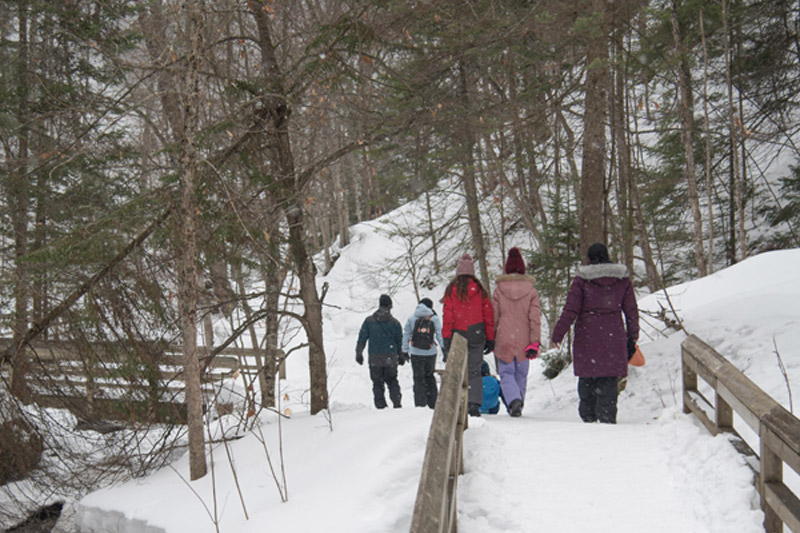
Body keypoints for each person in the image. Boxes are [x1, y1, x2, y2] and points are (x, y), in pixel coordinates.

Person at [551, 243, 639, 424]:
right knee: (608, 377)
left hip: (587, 334)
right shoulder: (622, 280)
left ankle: (588, 416)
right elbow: (631, 310)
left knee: (588, 376)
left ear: (589, 259)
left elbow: (571, 310)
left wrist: (558, 334)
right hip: (613, 334)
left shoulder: (581, 280)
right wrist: (633, 334)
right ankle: (607, 416)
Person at [442, 253, 495, 417]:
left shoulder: (452, 289)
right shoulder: (480, 290)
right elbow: (488, 315)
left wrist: (446, 337)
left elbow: (448, 315)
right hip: (477, 333)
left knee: (457, 370)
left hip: (458, 333)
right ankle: (473, 404)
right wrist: (491, 337)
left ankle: (457, 403)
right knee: (474, 370)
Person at [491, 247, 541, 417]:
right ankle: (518, 399)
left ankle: (513, 400)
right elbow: (534, 318)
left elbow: (494, 317)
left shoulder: (498, 290)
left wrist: (491, 337)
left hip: (503, 337)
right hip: (524, 338)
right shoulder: (531, 291)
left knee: (506, 372)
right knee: (521, 372)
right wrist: (535, 341)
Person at [356, 294, 405, 409]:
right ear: (390, 306)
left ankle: (381, 407)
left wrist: (359, 353)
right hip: (390, 358)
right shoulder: (395, 323)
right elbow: (399, 341)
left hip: (375, 358)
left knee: (377, 384)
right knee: (392, 381)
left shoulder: (369, 321)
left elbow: (362, 338)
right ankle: (397, 403)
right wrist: (401, 355)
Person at [402, 297, 445, 409]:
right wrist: (444, 349)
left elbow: (406, 335)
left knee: (418, 378)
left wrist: (405, 351)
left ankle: (420, 404)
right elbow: (440, 335)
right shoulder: (434, 318)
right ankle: (433, 403)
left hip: (416, 353)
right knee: (429, 377)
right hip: (431, 353)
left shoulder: (412, 318)